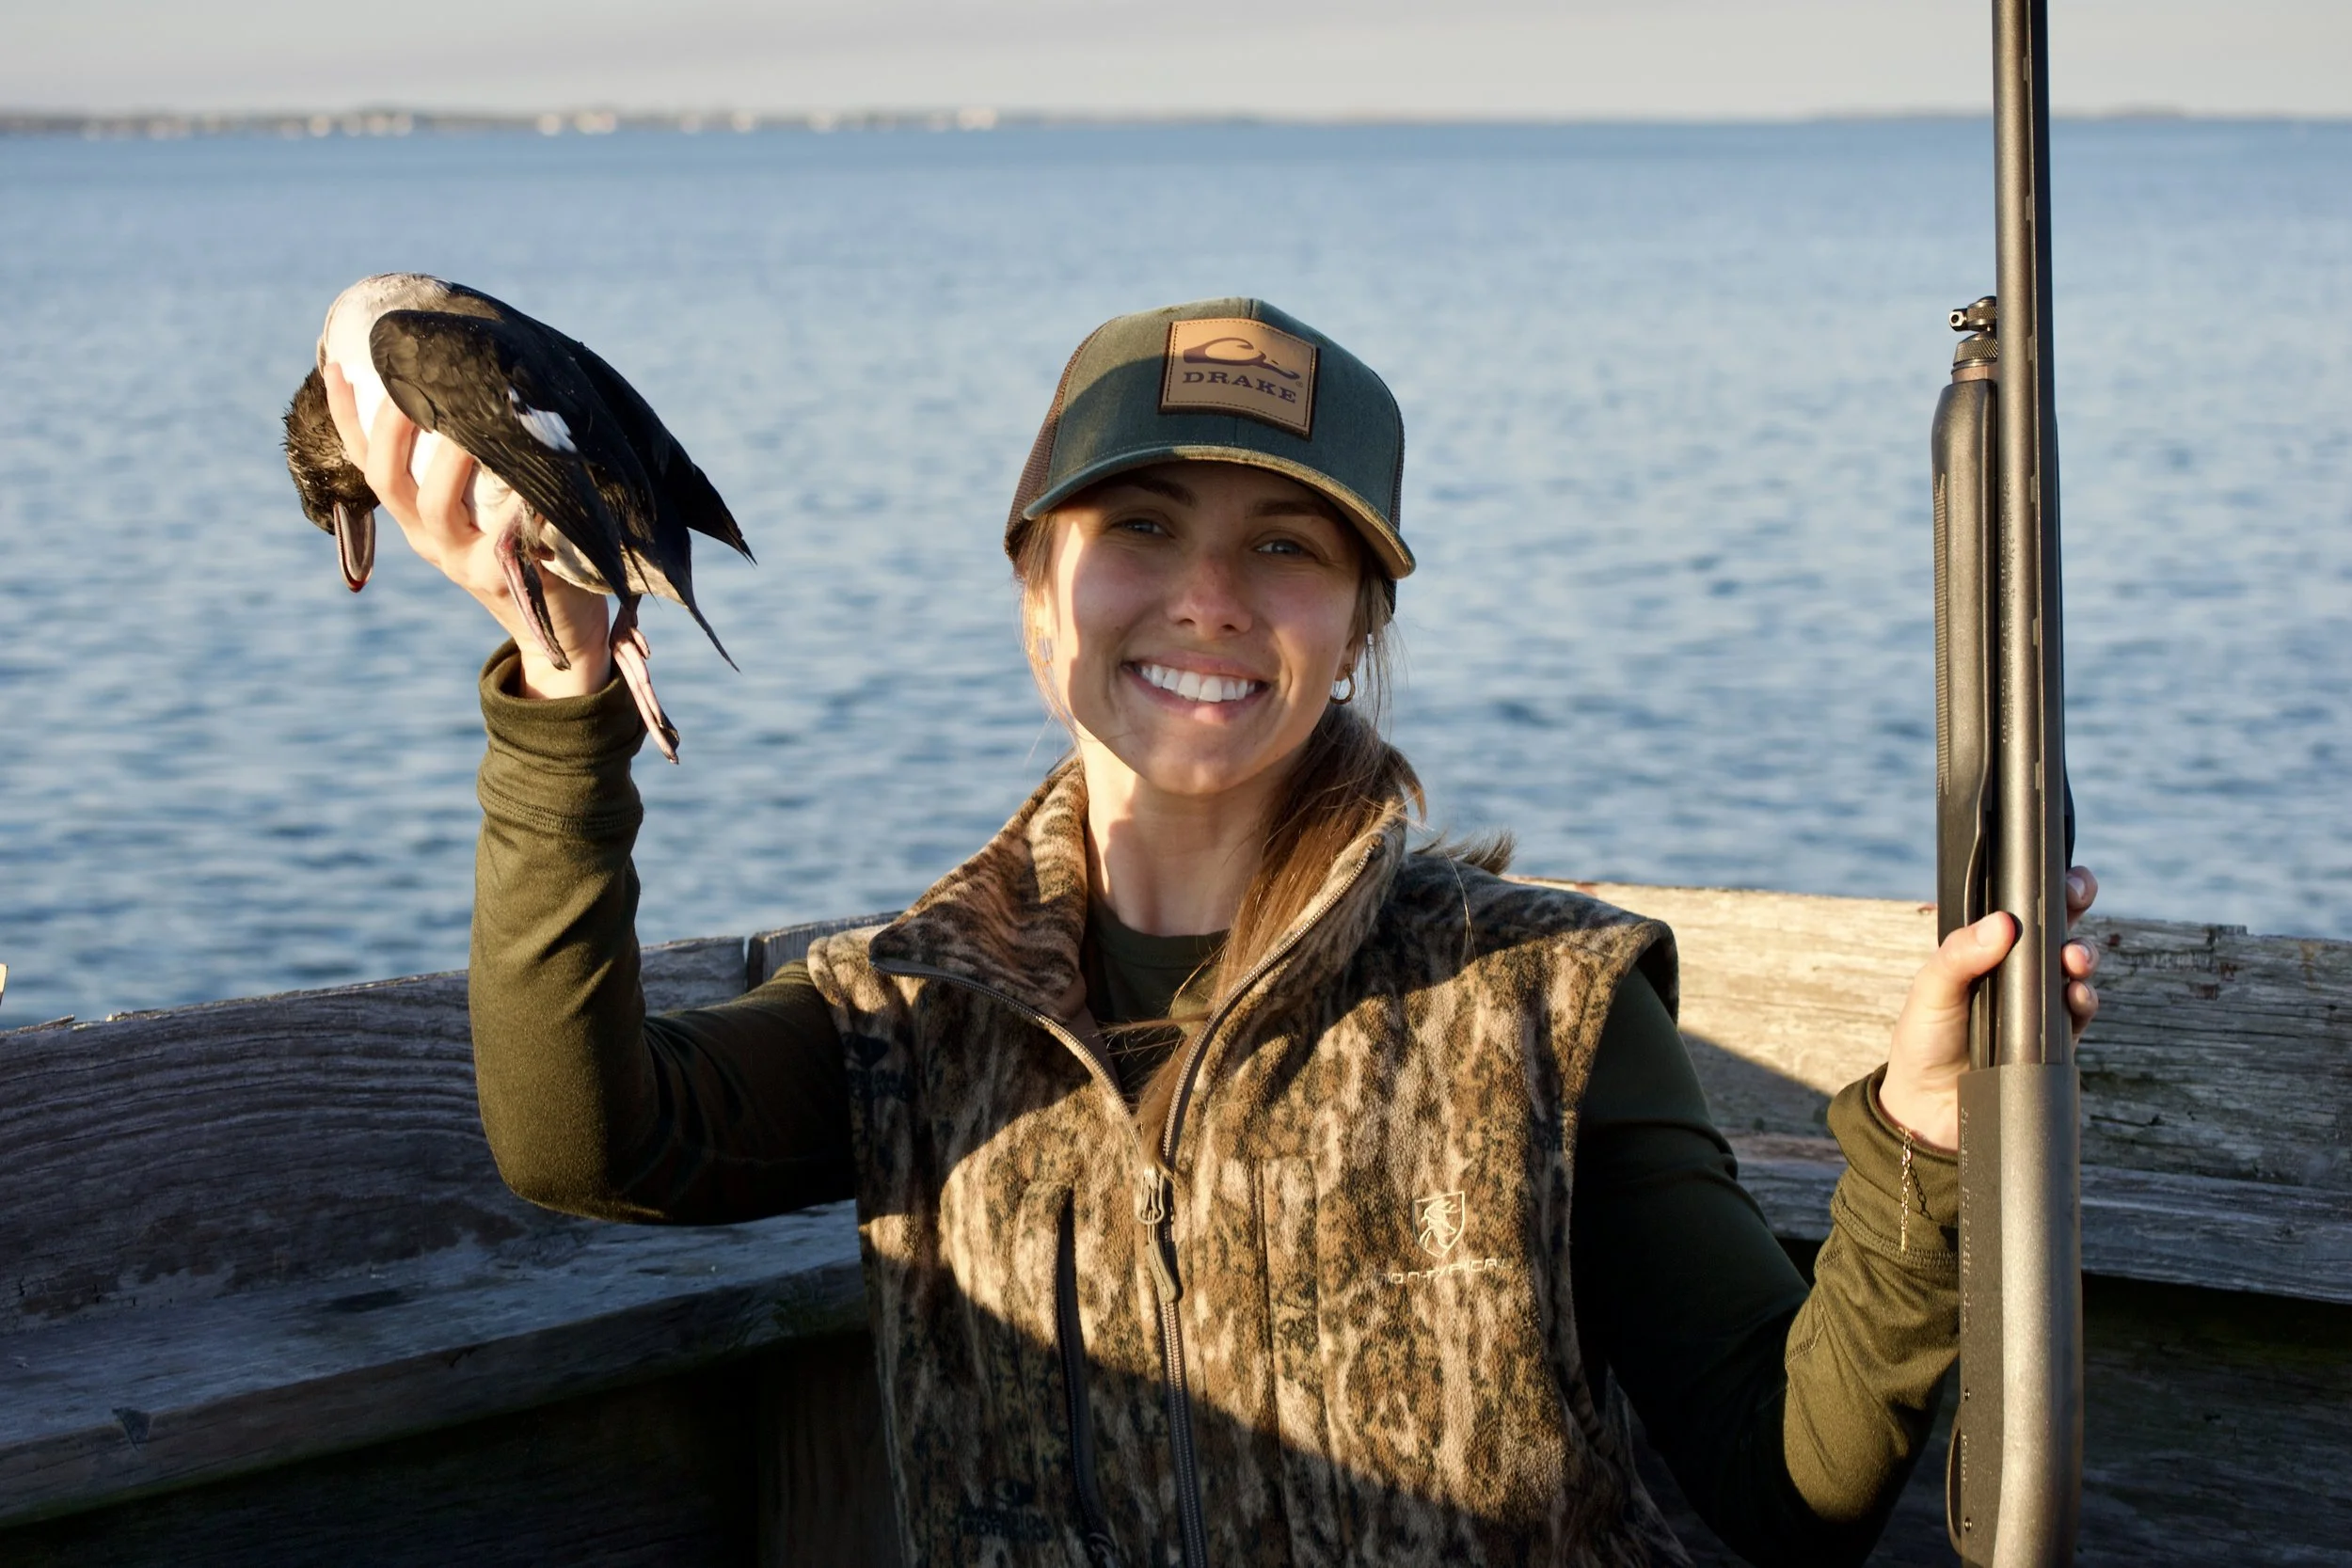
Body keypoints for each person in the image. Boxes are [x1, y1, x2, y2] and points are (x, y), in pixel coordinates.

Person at [324, 298, 2101, 1568]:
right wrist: (565, 695)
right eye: (1143, 525)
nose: (1210, 595)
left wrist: (1927, 1145)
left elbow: (1786, 1491)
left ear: (1356, 624)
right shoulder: (905, 1013)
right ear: (1037, 590)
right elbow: (583, 1142)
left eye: (1288, 545)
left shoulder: (1541, 1005)